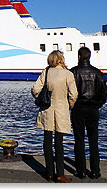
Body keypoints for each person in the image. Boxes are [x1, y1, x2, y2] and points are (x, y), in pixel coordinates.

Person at [32, 50, 78, 183]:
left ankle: (49, 173)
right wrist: (69, 105)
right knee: (59, 142)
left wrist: (40, 99)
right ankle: (60, 174)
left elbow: (35, 89)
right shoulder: (68, 74)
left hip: (47, 110)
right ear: (61, 59)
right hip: (61, 110)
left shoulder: (46, 73)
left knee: (47, 141)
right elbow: (74, 94)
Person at [70, 46, 107, 179]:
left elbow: (69, 92)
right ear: (90, 57)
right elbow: (105, 93)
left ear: (79, 56)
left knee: (79, 140)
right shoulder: (97, 73)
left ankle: (80, 171)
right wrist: (97, 104)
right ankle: (95, 171)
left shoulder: (73, 72)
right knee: (93, 141)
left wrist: (72, 105)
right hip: (93, 110)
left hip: (78, 109)